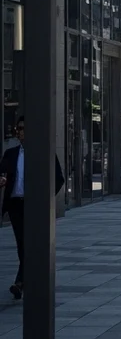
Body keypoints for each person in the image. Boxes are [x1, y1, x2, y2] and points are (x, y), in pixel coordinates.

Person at [0, 116, 65, 300]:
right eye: (19, 128)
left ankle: (20, 282)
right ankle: (25, 280)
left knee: (28, 244)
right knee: (22, 244)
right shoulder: (11, 154)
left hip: (34, 205)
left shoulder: (44, 153)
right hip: (15, 205)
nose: (20, 132)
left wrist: (44, 199)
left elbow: (58, 178)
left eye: (24, 128)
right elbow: (2, 172)